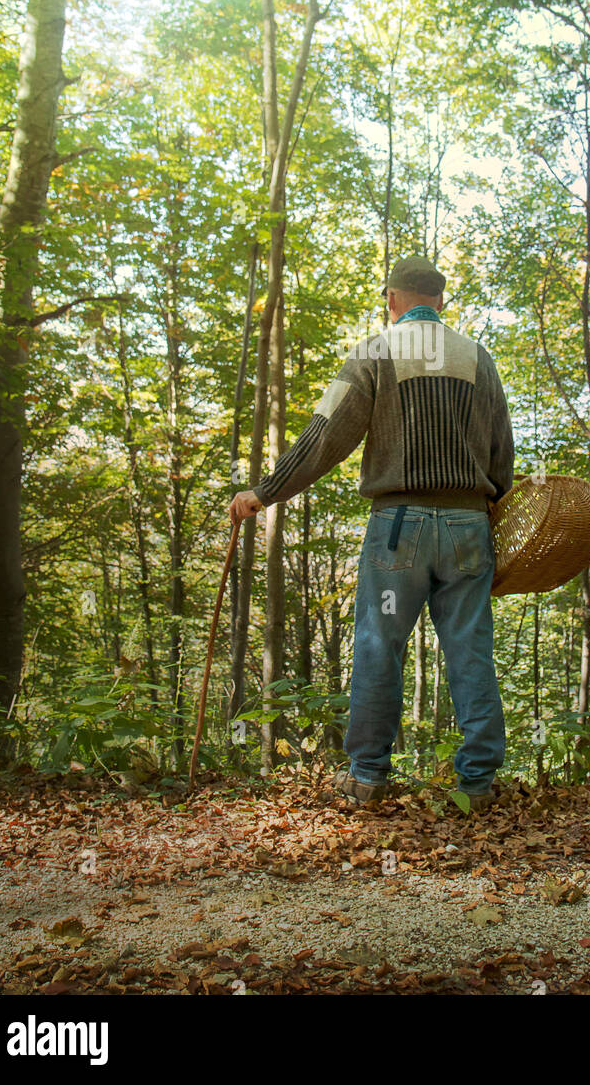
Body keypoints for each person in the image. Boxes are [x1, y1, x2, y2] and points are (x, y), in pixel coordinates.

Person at [230, 255, 514, 811]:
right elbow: (501, 450)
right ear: (440, 299)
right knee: (471, 651)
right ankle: (477, 784)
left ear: (391, 298)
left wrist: (265, 491)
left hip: (399, 530)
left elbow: (325, 435)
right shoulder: (479, 358)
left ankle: (368, 778)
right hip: (468, 526)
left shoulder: (373, 352)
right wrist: (494, 513)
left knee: (379, 646)